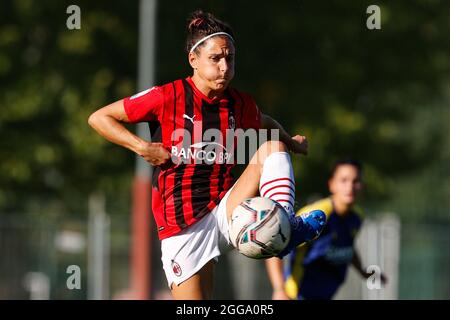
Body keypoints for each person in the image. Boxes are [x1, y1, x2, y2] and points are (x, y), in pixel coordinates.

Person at [88, 10, 326, 300]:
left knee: (272, 147)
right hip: (183, 226)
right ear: (194, 61)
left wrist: (291, 141)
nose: (225, 67)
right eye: (216, 59)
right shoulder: (167, 96)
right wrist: (142, 147)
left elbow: (265, 122)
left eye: (230, 58)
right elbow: (100, 118)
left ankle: (286, 226)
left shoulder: (239, 103)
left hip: (225, 211)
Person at [266, 159, 387, 300]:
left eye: (356, 181)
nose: (350, 186)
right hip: (297, 296)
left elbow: (347, 246)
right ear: (331, 184)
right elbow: (276, 242)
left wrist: (364, 272)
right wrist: (279, 289)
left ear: (362, 186)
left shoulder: (356, 217)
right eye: (344, 180)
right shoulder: (316, 216)